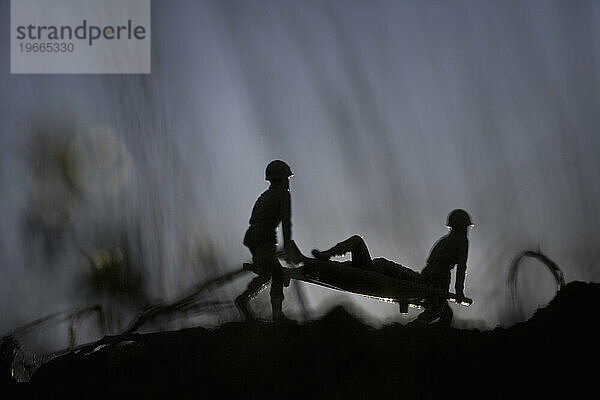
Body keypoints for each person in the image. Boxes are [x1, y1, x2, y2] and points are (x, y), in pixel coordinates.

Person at [235, 160, 294, 322]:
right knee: (272, 275)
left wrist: (256, 254)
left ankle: (275, 312)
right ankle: (246, 301)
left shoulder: (264, 196)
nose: (288, 181)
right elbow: (286, 222)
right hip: (265, 239)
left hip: (253, 239)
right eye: (286, 178)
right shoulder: (282, 194)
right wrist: (288, 246)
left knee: (273, 273)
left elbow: (253, 221)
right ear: (281, 179)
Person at [415, 209, 473, 326]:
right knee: (436, 311)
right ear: (463, 226)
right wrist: (459, 291)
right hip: (440, 276)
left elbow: (430, 262)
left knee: (444, 314)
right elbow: (461, 267)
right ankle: (411, 330)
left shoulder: (444, 240)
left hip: (428, 274)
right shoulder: (461, 241)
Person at [311, 235, 420, 282]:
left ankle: (327, 256)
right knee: (344, 265)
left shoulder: (415, 278)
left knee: (357, 240)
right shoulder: (413, 275)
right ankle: (323, 262)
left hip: (370, 270)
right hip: (367, 268)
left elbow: (400, 272)